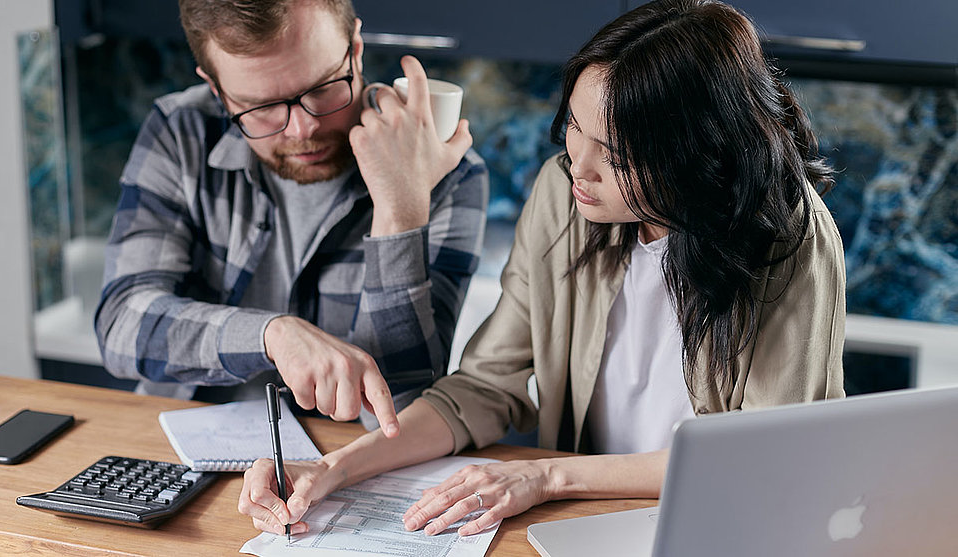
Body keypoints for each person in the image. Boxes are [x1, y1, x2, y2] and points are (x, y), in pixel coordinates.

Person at [238, 0, 846, 537]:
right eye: (575, 129)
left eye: (614, 154)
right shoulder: (564, 194)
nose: (577, 166)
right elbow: (482, 388)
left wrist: (546, 475)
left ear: (697, 154)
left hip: (720, 525)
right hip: (585, 520)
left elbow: (763, 458)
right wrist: (333, 468)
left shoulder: (790, 237)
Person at [94, 0, 488, 436]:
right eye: (260, 107)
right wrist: (271, 336)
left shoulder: (447, 169)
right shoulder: (180, 131)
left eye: (321, 89)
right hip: (181, 445)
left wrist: (400, 212)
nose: (303, 130)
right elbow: (121, 325)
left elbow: (402, 410)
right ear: (216, 89)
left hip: (347, 464)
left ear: (355, 50)